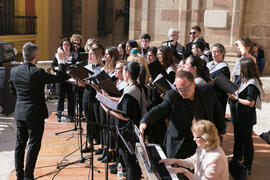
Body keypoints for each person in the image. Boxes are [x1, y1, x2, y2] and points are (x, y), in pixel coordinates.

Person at [9, 42, 69, 180]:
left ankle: (19, 175)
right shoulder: (37, 72)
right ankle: (28, 176)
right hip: (34, 114)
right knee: (33, 145)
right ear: (36, 57)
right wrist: (60, 61)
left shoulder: (14, 71)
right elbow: (60, 78)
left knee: (20, 144)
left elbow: (13, 92)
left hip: (20, 112)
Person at [139, 70, 226, 159]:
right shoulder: (173, 96)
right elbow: (159, 109)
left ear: (193, 85)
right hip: (180, 143)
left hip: (202, 140)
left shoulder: (207, 91)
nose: (181, 92)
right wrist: (144, 122)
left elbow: (218, 110)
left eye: (184, 89)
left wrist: (222, 130)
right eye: (178, 89)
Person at [101, 61, 149, 180]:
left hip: (128, 132)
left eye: (123, 71)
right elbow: (123, 101)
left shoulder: (130, 92)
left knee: (130, 162)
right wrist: (108, 98)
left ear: (127, 73)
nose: (121, 73)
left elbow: (126, 115)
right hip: (129, 131)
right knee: (131, 162)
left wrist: (107, 110)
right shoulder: (134, 87)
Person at [228, 58, 264, 174]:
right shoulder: (245, 80)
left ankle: (247, 166)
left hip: (246, 118)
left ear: (246, 69)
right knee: (238, 139)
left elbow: (250, 103)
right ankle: (237, 159)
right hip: (239, 116)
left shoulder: (252, 83)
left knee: (247, 142)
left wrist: (236, 98)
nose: (239, 70)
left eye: (241, 67)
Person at [159, 120, 229, 180]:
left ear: (206, 137)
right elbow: (191, 161)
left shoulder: (216, 158)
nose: (193, 139)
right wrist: (175, 161)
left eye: (196, 137)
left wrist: (184, 171)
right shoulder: (202, 148)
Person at [51, 38, 76, 122]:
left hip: (71, 78)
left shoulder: (74, 55)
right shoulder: (58, 55)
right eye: (64, 44)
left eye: (67, 44)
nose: (66, 46)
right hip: (61, 78)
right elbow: (53, 67)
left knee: (71, 97)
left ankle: (71, 115)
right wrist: (60, 67)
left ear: (70, 46)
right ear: (62, 46)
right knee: (60, 97)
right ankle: (59, 114)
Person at [207, 43, 230, 117]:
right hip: (208, 95)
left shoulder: (224, 67)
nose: (214, 54)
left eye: (216, 52)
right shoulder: (208, 64)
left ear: (222, 53)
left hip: (218, 97)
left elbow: (222, 83)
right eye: (213, 51)